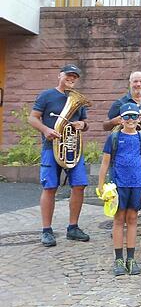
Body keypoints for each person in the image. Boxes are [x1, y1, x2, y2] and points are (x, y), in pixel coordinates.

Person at [29, 64, 90, 247]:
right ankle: (46, 230)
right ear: (59, 76)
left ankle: (73, 227)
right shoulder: (47, 95)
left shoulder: (77, 100)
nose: (71, 79)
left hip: (73, 147)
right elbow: (32, 118)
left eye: (75, 77)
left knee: (79, 186)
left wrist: (82, 125)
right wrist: (46, 130)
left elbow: (84, 123)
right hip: (51, 146)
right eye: (68, 75)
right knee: (50, 187)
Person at [97, 103, 141, 276]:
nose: (130, 120)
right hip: (118, 184)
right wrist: (100, 185)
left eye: (133, 116)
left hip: (137, 184)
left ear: (139, 119)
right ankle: (119, 259)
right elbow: (105, 162)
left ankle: (131, 258)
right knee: (119, 219)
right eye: (126, 117)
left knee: (133, 218)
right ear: (121, 120)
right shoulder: (113, 138)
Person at [103, 71, 141, 220]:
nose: (138, 85)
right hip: (128, 147)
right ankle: (122, 216)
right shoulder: (120, 103)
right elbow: (105, 125)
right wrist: (114, 122)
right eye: (135, 81)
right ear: (130, 83)